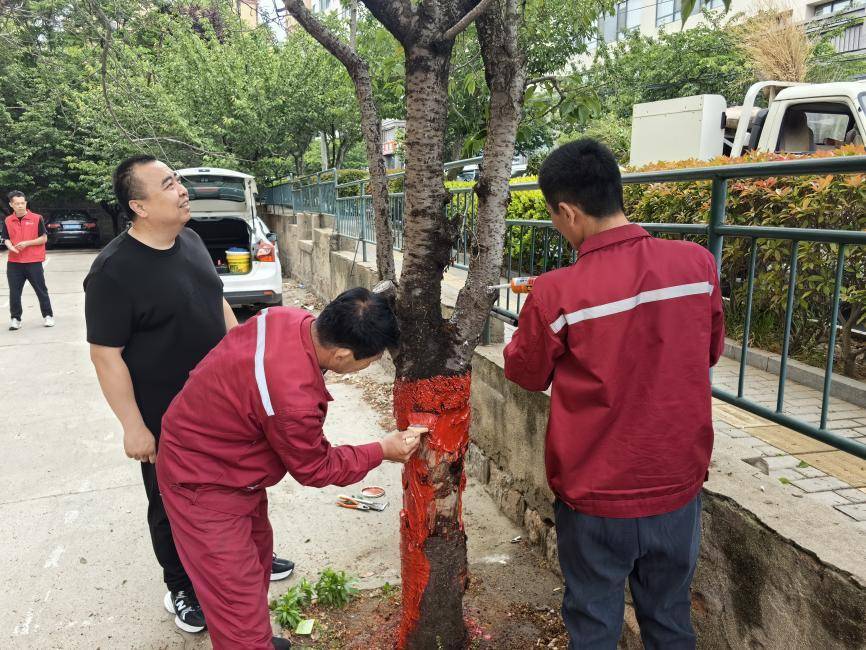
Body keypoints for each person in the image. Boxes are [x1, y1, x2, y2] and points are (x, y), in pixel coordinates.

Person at [503, 139, 725, 650]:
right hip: (676, 484)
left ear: (567, 211)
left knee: (594, 623)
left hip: (596, 495)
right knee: (670, 619)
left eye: (556, 219)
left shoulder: (556, 291)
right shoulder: (696, 266)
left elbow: (526, 372)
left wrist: (531, 321)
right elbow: (707, 351)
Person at [84, 154, 294, 636]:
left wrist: (246, 360)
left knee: (240, 477)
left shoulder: (191, 240)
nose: (181, 189)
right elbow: (105, 355)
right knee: (169, 500)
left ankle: (248, 553)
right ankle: (181, 585)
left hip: (221, 403)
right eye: (168, 184)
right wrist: (134, 427)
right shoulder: (113, 272)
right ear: (138, 205)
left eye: (177, 179)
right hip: (165, 413)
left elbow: (216, 301)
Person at [156, 289, 420, 650]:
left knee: (258, 555)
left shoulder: (287, 318)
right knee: (235, 591)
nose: (368, 367)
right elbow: (316, 468)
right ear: (342, 354)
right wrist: (382, 450)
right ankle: (248, 642)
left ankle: (254, 639)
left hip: (226, 461)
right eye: (369, 361)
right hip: (202, 481)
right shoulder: (292, 399)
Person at [3, 191, 54, 330]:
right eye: (17, 203)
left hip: (34, 262)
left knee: (41, 290)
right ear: (11, 204)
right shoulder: (8, 220)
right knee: (14, 292)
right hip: (14, 263)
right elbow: (6, 238)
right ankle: (15, 319)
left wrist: (27, 243)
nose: (20, 206)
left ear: (25, 203)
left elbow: (44, 238)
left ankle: (48, 316)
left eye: (22, 203)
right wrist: (10, 247)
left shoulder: (37, 218)